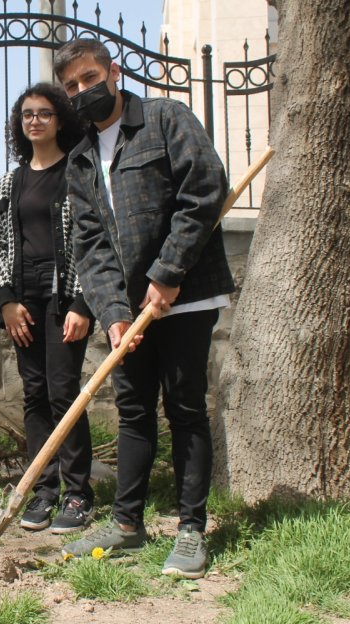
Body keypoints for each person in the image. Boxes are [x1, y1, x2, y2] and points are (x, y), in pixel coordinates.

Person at [54, 38, 233, 579]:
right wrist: (112, 313)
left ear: (112, 71)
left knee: (185, 407)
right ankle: (128, 524)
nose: (83, 91)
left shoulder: (164, 118)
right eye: (72, 87)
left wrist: (168, 272)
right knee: (133, 412)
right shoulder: (81, 158)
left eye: (89, 78)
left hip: (187, 291)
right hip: (131, 309)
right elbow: (90, 245)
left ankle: (190, 528)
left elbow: (204, 191)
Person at [0, 83, 95, 534]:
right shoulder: (11, 180)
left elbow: (94, 239)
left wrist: (84, 301)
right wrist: (6, 299)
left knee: (63, 392)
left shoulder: (78, 171)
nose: (35, 121)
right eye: (27, 114)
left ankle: (78, 493)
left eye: (44, 113)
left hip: (65, 298)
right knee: (34, 393)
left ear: (61, 119)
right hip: (22, 300)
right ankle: (42, 489)